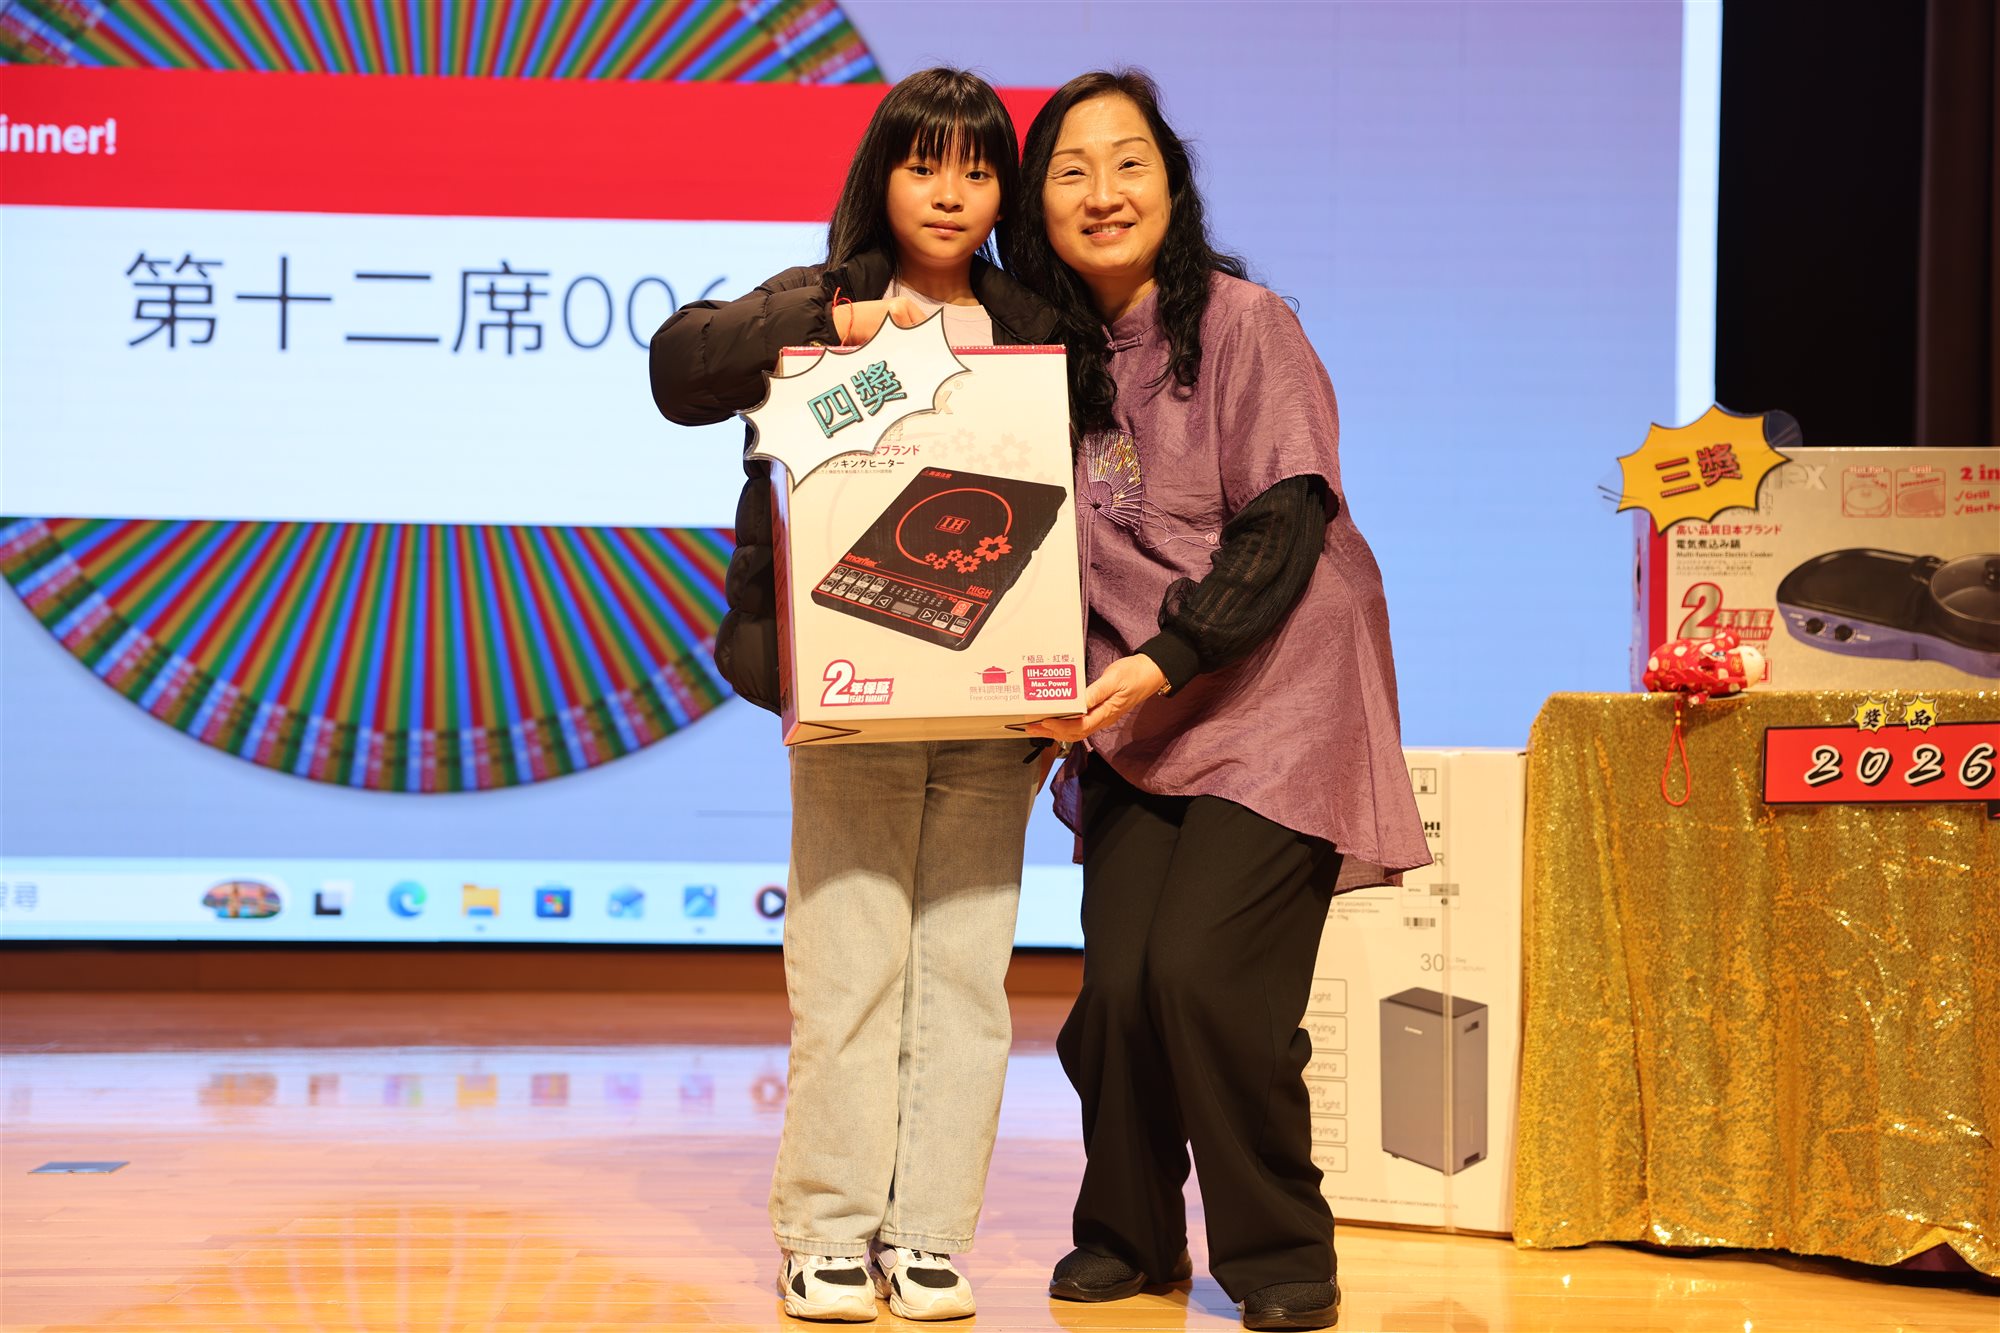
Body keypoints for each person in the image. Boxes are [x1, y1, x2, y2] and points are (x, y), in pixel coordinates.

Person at [1009, 70, 1431, 1332]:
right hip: (1142, 719)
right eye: (1070, 169)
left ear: (1171, 184)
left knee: (1202, 977)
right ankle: (1127, 1235)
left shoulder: (1245, 323)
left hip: (1275, 689)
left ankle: (1281, 1250)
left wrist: (1165, 657)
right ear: (1036, 205)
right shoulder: (1039, 363)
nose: (1102, 191)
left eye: (1127, 162)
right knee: (1115, 999)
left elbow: (1285, 521)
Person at [649, 68, 1060, 1324]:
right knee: (848, 968)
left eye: (977, 169)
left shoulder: (1035, 325)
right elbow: (676, 369)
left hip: (993, 704)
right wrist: (828, 326)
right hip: (854, 694)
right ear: (880, 175)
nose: (950, 193)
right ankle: (826, 1231)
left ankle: (927, 1232)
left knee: (964, 978)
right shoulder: (824, 300)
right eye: (923, 164)